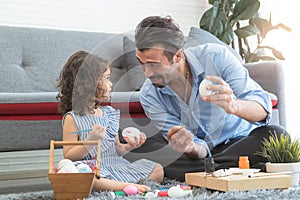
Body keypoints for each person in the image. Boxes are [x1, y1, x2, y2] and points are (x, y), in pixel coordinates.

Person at [128, 15, 288, 181]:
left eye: (154, 65)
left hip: (239, 143)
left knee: (276, 135)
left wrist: (234, 106)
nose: (147, 73)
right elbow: (198, 149)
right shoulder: (149, 93)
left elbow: (263, 109)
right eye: (141, 62)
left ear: (177, 56)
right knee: (138, 148)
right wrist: (191, 148)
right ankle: (239, 169)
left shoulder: (216, 57)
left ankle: (207, 172)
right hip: (199, 156)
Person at [56, 50, 163, 192]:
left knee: (157, 169)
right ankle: (126, 187)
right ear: (90, 84)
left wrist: (129, 147)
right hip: (91, 167)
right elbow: (69, 155)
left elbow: (116, 149)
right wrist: (91, 141)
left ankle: (118, 186)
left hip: (116, 164)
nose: (111, 84)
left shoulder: (109, 114)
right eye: (106, 79)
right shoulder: (72, 118)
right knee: (83, 175)